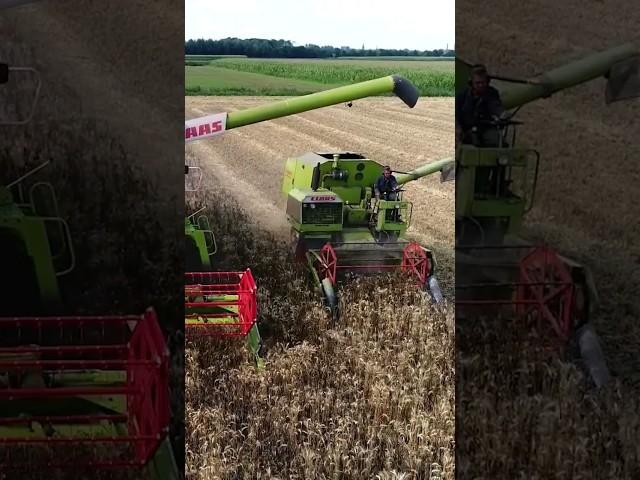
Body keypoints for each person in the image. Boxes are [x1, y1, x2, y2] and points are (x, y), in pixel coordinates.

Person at [455, 64, 505, 147]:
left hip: (486, 129)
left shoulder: (491, 93)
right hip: (466, 130)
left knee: (499, 142)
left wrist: (502, 114)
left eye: (483, 82)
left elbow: (495, 105)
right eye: (478, 83)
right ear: (471, 83)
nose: (481, 85)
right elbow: (455, 114)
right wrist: (457, 128)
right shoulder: (462, 96)